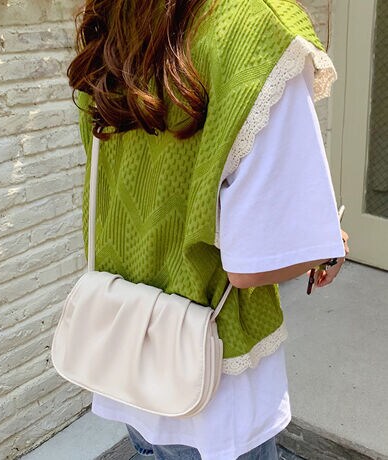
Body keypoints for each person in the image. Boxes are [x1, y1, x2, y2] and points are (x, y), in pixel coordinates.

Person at [67, 1, 350, 458]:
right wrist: (327, 248)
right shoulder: (255, 30)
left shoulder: (115, 18)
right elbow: (251, 265)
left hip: (127, 359)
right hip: (213, 387)